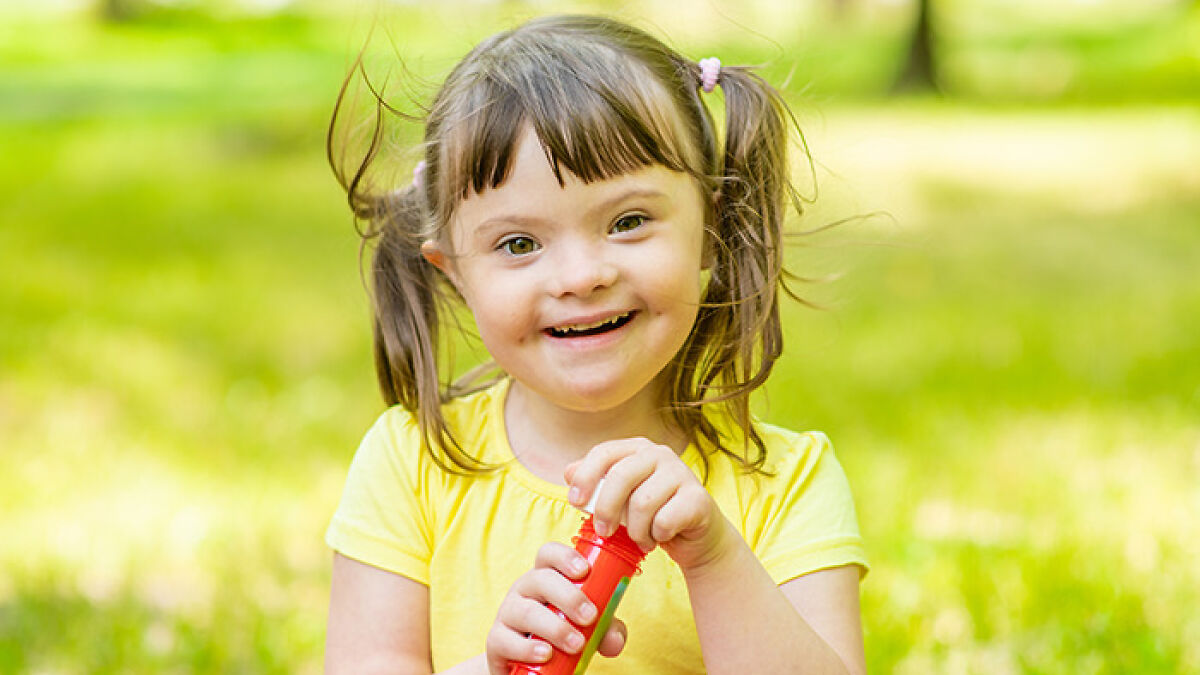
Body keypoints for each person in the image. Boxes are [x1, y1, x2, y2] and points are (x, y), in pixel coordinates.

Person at [323, 14, 868, 675]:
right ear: (455, 272)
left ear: (711, 226)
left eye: (628, 221)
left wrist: (715, 556)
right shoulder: (411, 466)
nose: (582, 276)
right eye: (519, 244)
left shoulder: (787, 484)